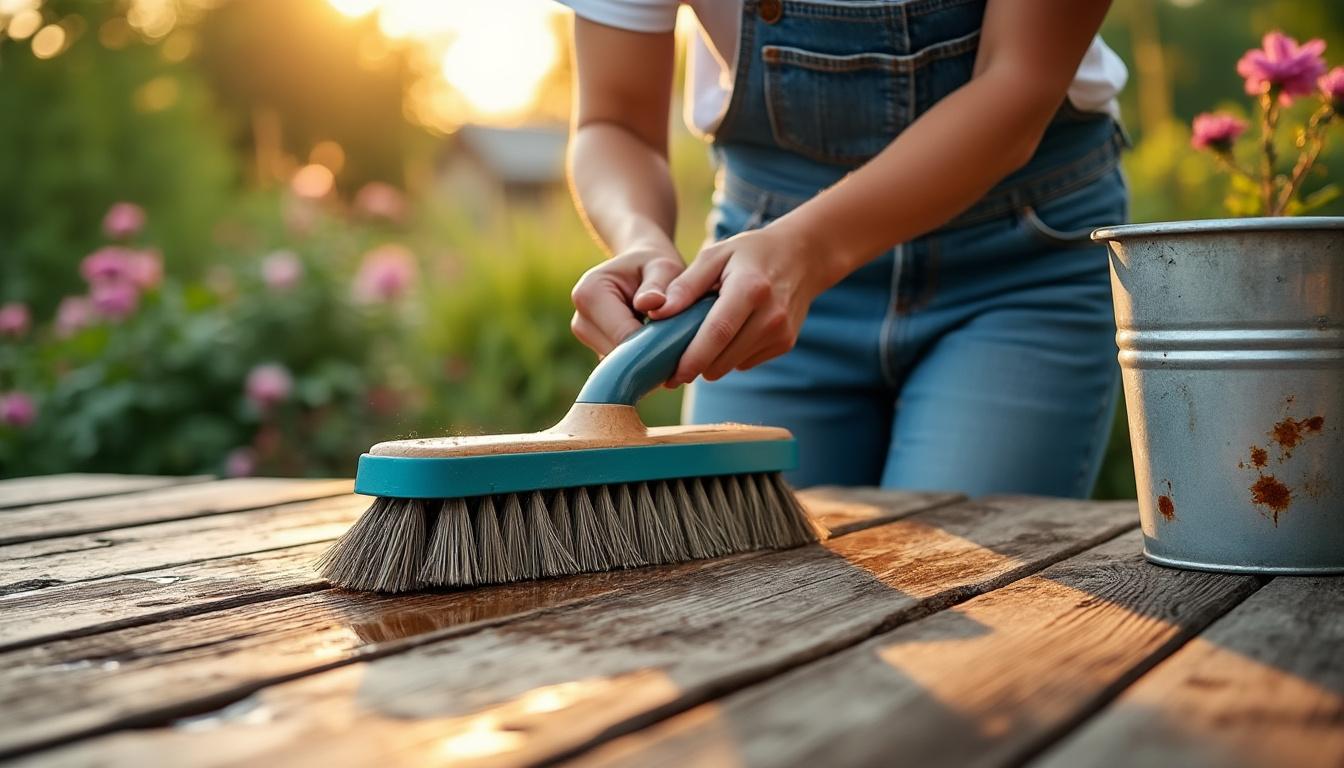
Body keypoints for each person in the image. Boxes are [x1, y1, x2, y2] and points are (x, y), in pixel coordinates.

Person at [560, 0, 1129, 497]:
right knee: (748, 587)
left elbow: (1019, 84)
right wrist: (642, 239)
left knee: (963, 581)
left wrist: (805, 250)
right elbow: (615, 123)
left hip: (1014, 264)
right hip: (756, 280)